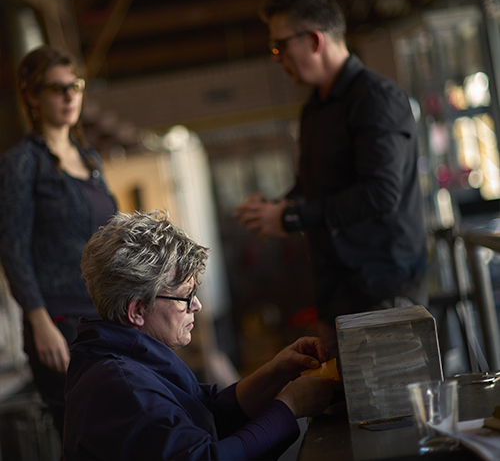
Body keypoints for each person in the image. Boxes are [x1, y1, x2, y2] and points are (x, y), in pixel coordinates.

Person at [63, 210, 337, 461]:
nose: (197, 305)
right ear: (136, 310)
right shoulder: (122, 387)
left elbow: (207, 413)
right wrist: (290, 406)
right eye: (185, 297)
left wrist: (277, 372)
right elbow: (205, 457)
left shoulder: (130, 358)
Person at [235, 0, 427, 332]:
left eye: (279, 46)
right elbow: (319, 185)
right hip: (337, 288)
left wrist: (291, 218)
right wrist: (276, 208)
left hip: (382, 290)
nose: (276, 58)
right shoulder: (315, 107)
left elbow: (380, 193)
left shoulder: (375, 98)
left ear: (314, 40)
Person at [0, 45, 117, 438]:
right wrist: (39, 320)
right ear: (31, 96)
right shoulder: (22, 162)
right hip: (61, 323)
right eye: (56, 88)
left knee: (125, 427)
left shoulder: (91, 161)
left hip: (108, 316)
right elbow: (12, 248)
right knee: (86, 433)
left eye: (76, 86)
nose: (69, 96)